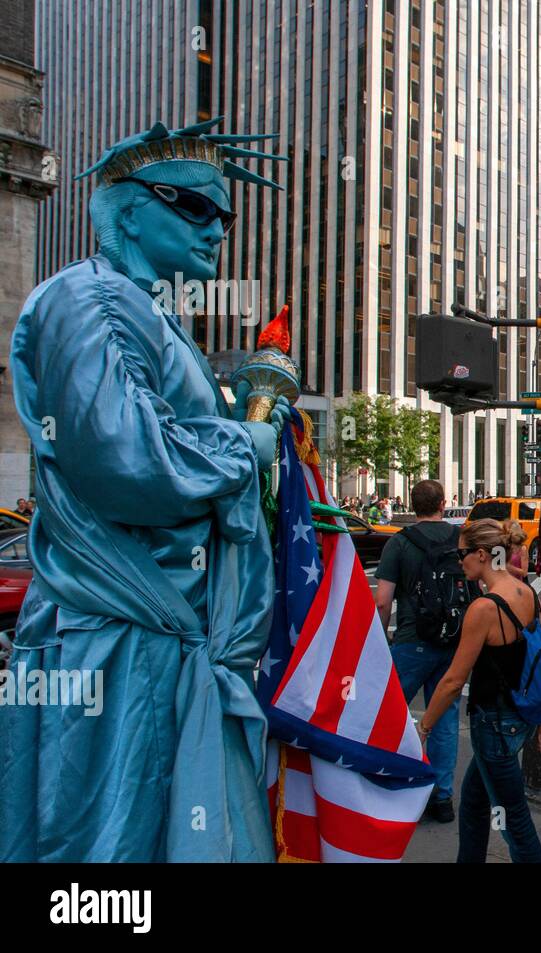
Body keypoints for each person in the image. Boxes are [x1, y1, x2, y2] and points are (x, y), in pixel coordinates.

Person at [1, 118, 291, 862]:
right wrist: (247, 443)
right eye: (194, 207)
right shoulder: (90, 302)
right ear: (127, 209)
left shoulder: (149, 314)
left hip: (163, 651)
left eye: (224, 214)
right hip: (118, 646)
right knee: (105, 859)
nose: (217, 228)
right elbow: (129, 461)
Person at [417, 518, 541, 863]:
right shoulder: (528, 594)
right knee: (475, 802)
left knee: (515, 823)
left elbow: (453, 680)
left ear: (481, 555)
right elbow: (540, 662)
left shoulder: (484, 608)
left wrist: (424, 727)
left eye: (462, 552)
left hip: (492, 722)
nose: (458, 560)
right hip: (517, 720)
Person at [374, 480, 463, 823]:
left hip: (412, 640)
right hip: (452, 641)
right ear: (443, 503)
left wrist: (380, 643)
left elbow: (383, 601)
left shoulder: (399, 542)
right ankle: (442, 798)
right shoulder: (460, 539)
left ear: (412, 505)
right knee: (444, 718)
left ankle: (388, 783)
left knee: (390, 714)